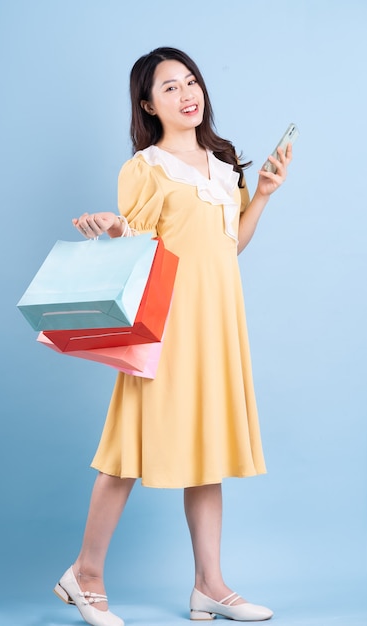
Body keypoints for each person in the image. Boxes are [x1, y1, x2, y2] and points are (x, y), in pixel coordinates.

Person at [53, 47, 293, 626]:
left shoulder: (222, 165)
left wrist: (260, 193)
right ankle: (84, 574)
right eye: (169, 88)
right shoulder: (147, 167)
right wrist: (114, 228)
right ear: (147, 104)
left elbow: (229, 245)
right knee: (128, 449)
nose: (188, 94)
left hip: (217, 325)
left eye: (191, 82)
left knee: (207, 449)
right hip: (167, 328)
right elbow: (136, 244)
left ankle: (209, 585)